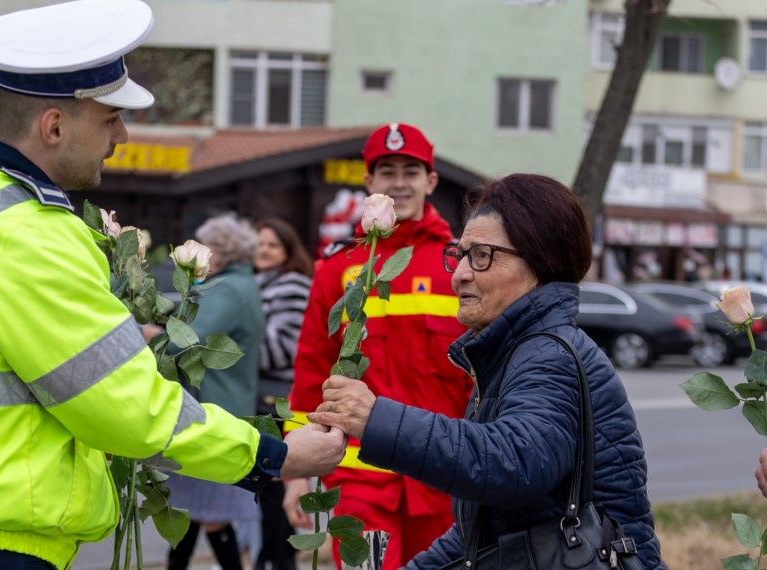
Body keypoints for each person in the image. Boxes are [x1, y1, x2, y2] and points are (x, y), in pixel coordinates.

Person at [0, 2, 346, 569]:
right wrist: (273, 454)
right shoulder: (29, 233)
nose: (121, 135)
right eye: (109, 118)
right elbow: (130, 411)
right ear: (54, 126)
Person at [308, 173, 666, 569]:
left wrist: (376, 419)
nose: (459, 273)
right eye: (460, 254)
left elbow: (512, 462)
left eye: (481, 255)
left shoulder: (549, 354)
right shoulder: (515, 352)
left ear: (539, 260)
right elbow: (480, 532)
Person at [285, 123, 472, 569]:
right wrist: (296, 467)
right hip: (362, 482)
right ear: (369, 184)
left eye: (411, 170)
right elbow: (312, 369)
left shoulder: (460, 266)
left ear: (431, 181)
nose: (400, 182)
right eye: (387, 171)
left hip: (444, 477)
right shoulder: (339, 268)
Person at [167, 214, 265, 570]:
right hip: (225, 403)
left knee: (206, 509)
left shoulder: (229, 289)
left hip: (213, 408)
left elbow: (186, 340)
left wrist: (149, 333)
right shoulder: (241, 285)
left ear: (221, 252)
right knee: (199, 510)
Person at [253, 218, 314, 570]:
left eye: (272, 244)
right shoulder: (262, 282)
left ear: (289, 251)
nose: (263, 250)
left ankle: (280, 560)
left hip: (278, 399)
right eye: (260, 243)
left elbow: (281, 350)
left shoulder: (291, 285)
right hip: (265, 396)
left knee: (276, 489)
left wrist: (234, 347)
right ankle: (273, 557)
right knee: (269, 489)